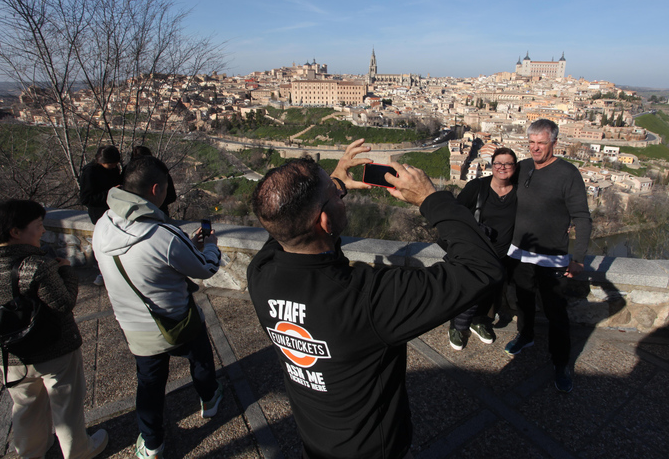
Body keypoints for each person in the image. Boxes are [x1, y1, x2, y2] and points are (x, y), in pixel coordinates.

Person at [247, 139, 504, 459]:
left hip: (315, 444)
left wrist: (332, 185)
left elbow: (289, 225)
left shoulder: (260, 274)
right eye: (337, 195)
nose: (341, 195)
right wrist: (430, 198)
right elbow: (481, 267)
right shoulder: (370, 300)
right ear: (324, 222)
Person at [92, 156, 224, 459]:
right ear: (155, 190)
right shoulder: (163, 235)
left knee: (149, 386)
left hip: (134, 327)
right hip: (177, 319)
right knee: (200, 360)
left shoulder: (102, 225)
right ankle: (210, 400)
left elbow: (146, 260)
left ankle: (152, 444)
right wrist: (211, 244)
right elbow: (205, 269)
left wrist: (182, 246)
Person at [0, 199, 108, 459]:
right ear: (15, 232)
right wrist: (66, 273)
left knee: (25, 406)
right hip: (54, 350)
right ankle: (78, 450)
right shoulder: (35, 265)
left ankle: (31, 452)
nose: (43, 231)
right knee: (67, 406)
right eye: (38, 226)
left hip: (10, 354)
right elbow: (63, 303)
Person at [504, 119, 592, 393]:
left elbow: (582, 218)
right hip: (520, 251)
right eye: (531, 143)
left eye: (541, 143)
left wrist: (578, 258)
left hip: (552, 257)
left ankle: (561, 363)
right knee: (523, 301)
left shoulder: (568, 173)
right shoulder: (524, 168)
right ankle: (526, 335)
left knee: (556, 313)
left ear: (554, 143)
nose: (535, 148)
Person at [448, 147, 518, 350]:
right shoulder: (477, 187)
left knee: (492, 293)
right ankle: (457, 327)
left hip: (502, 254)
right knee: (468, 288)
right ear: (492, 165)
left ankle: (480, 323)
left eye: (508, 164)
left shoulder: (519, 192)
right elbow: (456, 213)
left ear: (514, 167)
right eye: (498, 163)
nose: (502, 167)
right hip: (475, 252)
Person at [79, 145, 122, 286]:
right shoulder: (89, 172)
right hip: (100, 214)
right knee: (105, 246)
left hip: (115, 211)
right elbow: (86, 199)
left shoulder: (113, 169)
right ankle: (102, 273)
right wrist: (110, 192)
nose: (114, 166)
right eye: (111, 164)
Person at [129, 145, 177, 216]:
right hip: (158, 213)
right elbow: (171, 196)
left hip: (134, 213)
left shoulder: (128, 172)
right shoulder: (160, 171)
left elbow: (171, 196)